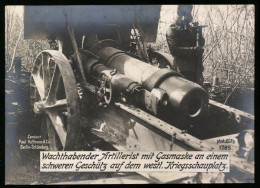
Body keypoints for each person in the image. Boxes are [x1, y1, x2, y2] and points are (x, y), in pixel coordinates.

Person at [166, 5, 205, 86]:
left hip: (196, 70)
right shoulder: (172, 29)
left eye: (189, 12)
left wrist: (198, 32)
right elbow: (174, 50)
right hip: (182, 70)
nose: (187, 16)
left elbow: (201, 44)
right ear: (179, 14)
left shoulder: (192, 29)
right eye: (185, 13)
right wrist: (193, 50)